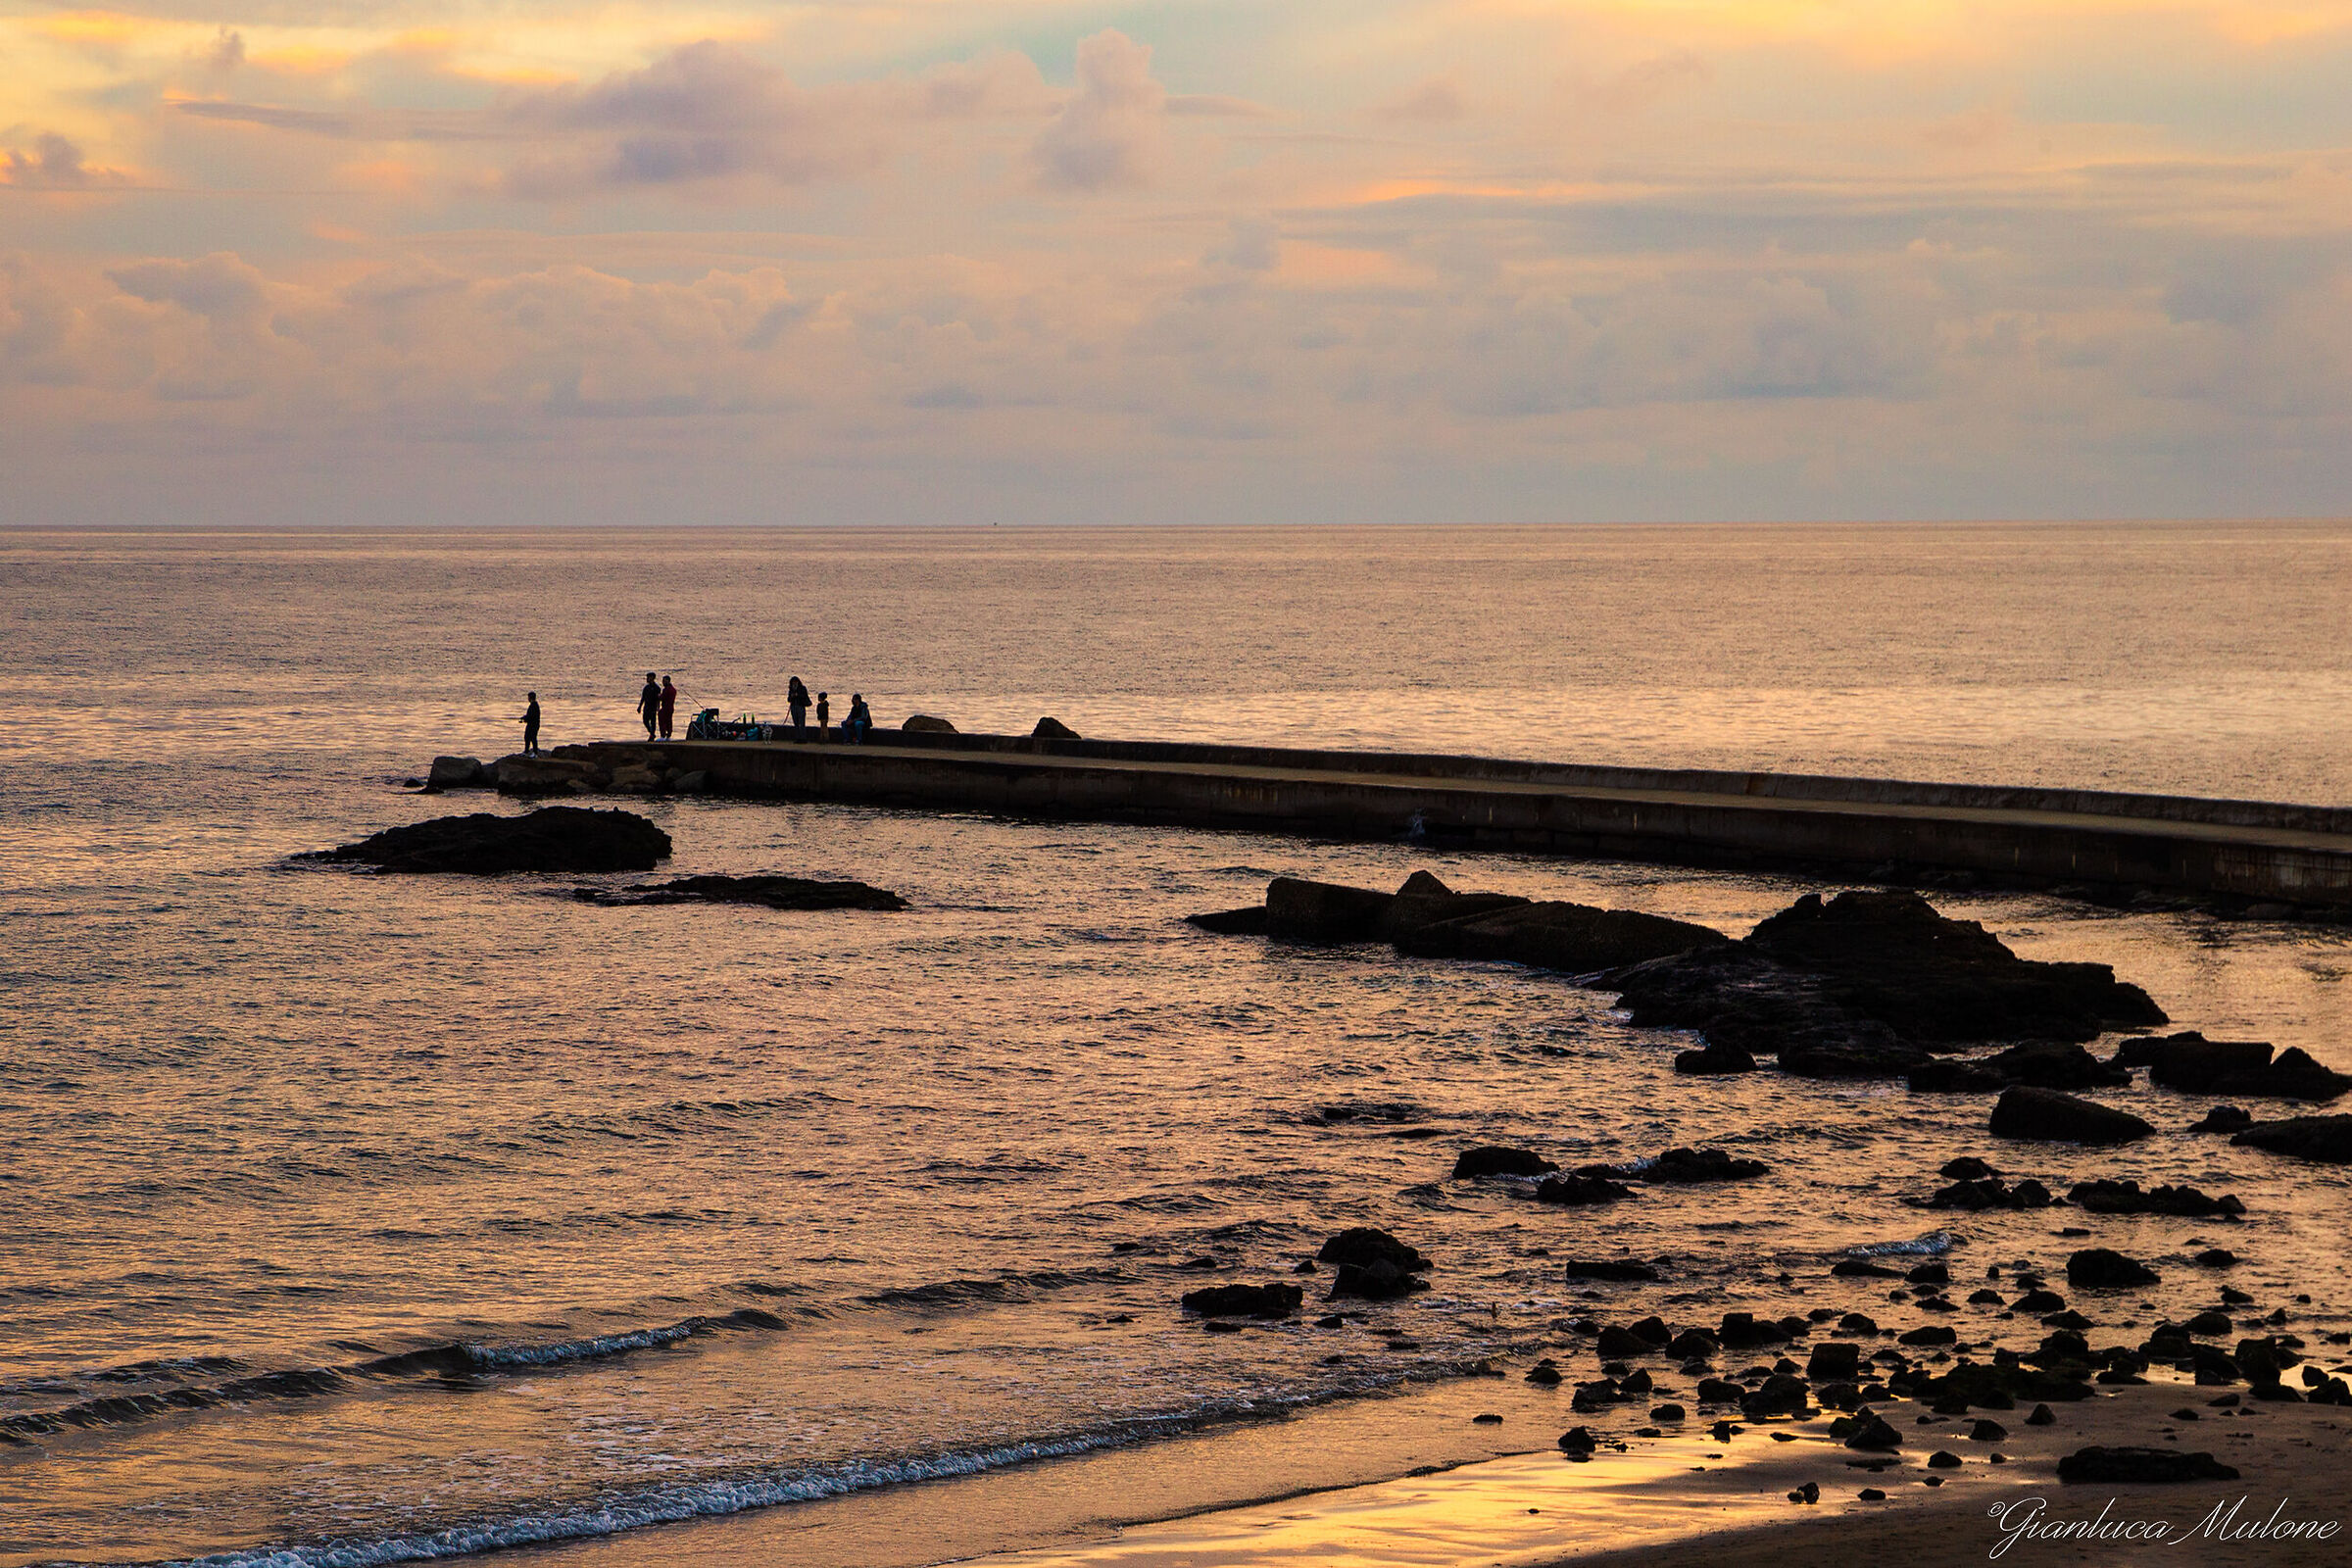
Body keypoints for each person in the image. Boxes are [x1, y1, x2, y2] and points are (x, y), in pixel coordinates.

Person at [637, 672, 660, 741]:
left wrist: (658, 708)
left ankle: (652, 735)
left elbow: (658, 699)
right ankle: (652, 733)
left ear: (652, 678)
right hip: (646, 707)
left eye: (648, 677)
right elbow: (643, 698)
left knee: (653, 722)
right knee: (645, 721)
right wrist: (639, 707)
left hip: (653, 707)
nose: (647, 679)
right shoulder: (646, 688)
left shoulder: (657, 688)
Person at [519, 692, 541, 756]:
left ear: (530, 698)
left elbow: (531, 716)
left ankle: (535, 753)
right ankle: (526, 751)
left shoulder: (533, 706)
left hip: (533, 725)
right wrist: (524, 718)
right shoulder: (533, 705)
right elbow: (530, 716)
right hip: (532, 724)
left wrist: (524, 718)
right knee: (527, 737)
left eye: (528, 697)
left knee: (533, 738)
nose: (528, 699)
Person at [659, 675, 678, 740]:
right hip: (671, 708)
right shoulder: (673, 690)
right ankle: (669, 735)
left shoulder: (667, 690)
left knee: (662, 721)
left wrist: (658, 696)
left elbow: (662, 698)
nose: (663, 683)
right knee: (669, 721)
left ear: (668, 681)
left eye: (664, 681)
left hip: (665, 707)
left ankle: (663, 735)